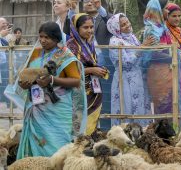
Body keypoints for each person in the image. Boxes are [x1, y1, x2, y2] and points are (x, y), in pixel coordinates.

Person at [4, 22, 86, 158]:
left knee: (58, 146)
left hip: (58, 109)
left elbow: (76, 81)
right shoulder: (36, 53)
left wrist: (52, 80)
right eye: (40, 37)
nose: (42, 40)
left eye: (46, 37)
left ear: (56, 38)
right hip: (36, 108)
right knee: (37, 144)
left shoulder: (65, 56)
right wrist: (24, 84)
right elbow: (26, 75)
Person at [106, 13, 153, 126]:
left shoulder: (131, 37)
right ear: (116, 28)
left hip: (137, 78)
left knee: (139, 107)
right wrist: (142, 47)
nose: (127, 25)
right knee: (126, 107)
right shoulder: (115, 42)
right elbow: (125, 63)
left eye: (127, 22)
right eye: (123, 25)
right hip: (125, 80)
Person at [66, 14, 109, 136]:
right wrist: (91, 70)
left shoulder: (89, 43)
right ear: (76, 28)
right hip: (78, 92)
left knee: (91, 125)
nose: (90, 30)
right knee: (79, 123)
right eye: (85, 27)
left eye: (91, 27)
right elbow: (69, 71)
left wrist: (99, 70)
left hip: (92, 89)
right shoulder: (71, 46)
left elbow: (90, 63)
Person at [143, 0, 173, 115]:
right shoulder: (151, 29)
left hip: (166, 70)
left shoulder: (162, 28)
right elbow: (153, 54)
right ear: (158, 11)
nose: (168, 12)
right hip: (158, 73)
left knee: (170, 104)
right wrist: (173, 57)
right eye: (166, 9)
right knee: (162, 104)